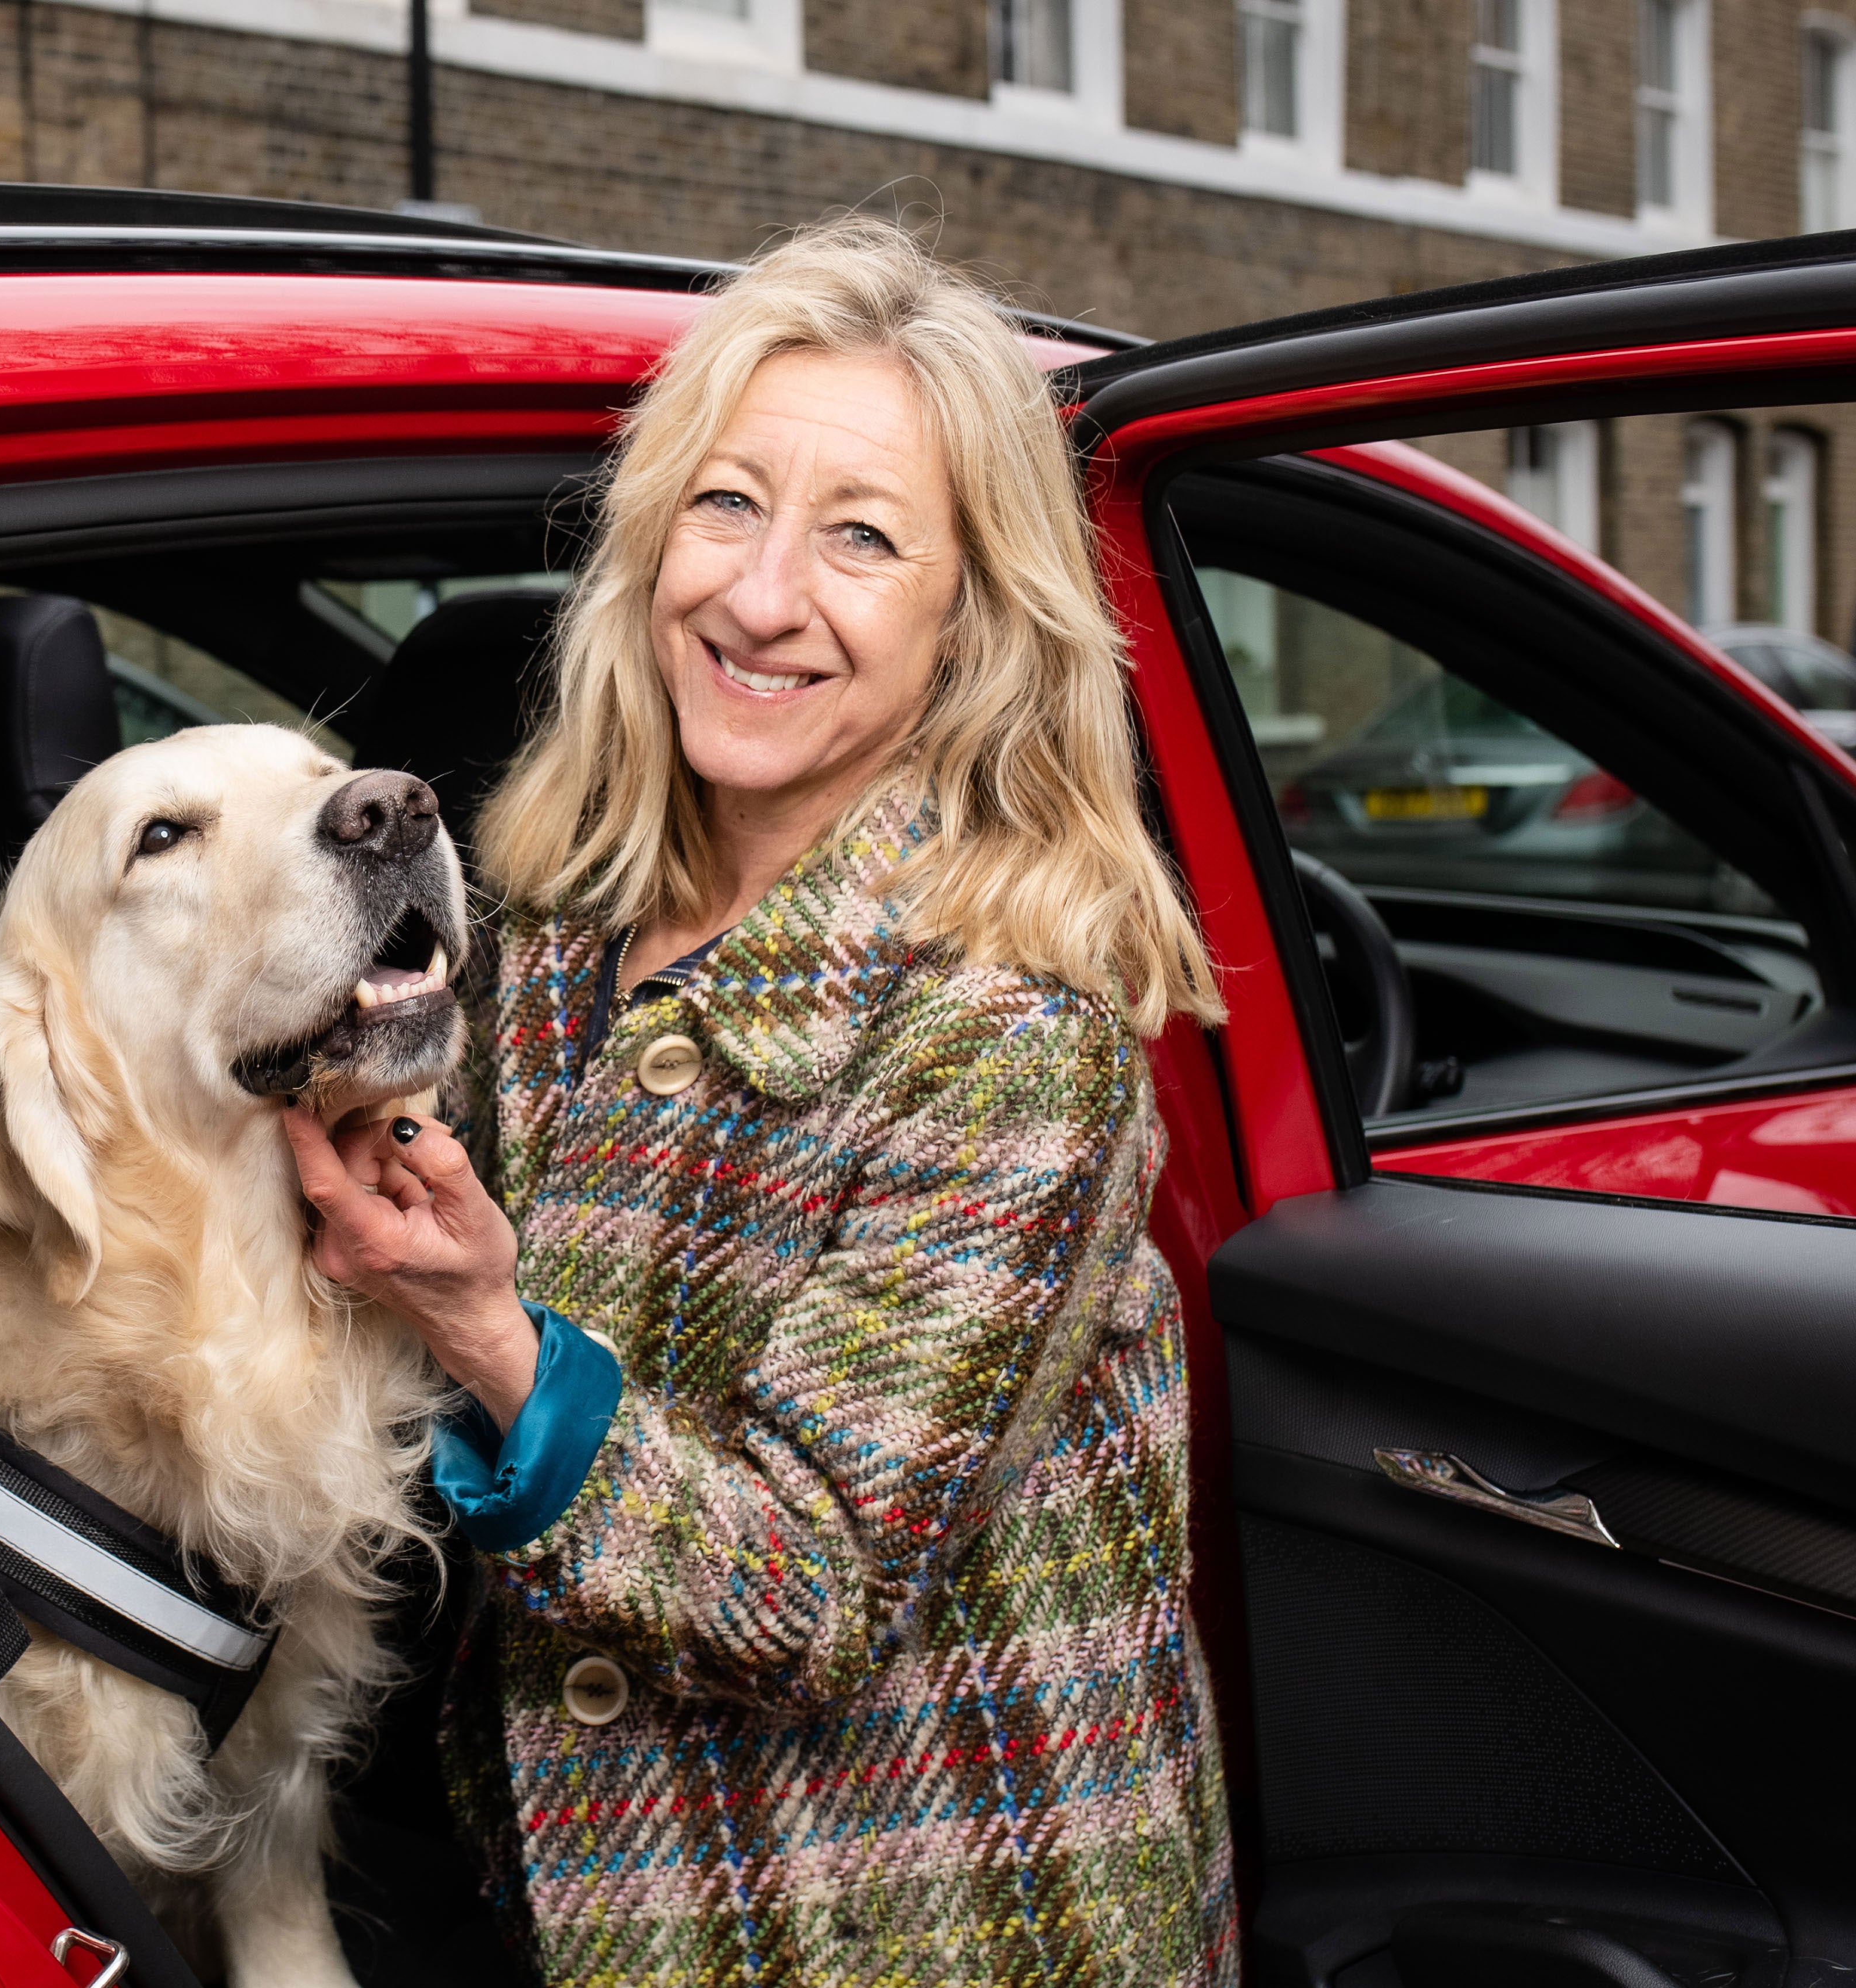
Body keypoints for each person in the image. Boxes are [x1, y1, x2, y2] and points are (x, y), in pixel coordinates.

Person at [284, 215, 1237, 1987]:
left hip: (916, 1935)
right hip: (572, 1891)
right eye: (727, 505)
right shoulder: (559, 922)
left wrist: (495, 1339)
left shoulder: (1014, 1018)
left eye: (862, 538)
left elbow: (807, 1599)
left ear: (974, 621)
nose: (761, 595)